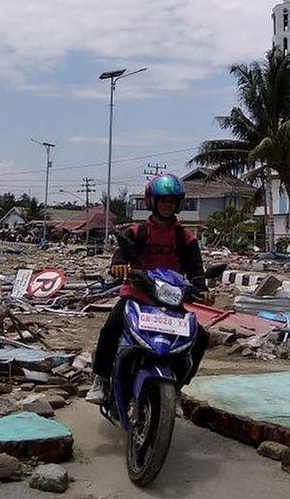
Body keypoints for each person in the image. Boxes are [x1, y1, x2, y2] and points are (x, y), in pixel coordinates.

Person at [86, 173, 212, 405]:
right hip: (137, 296)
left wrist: (202, 288)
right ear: (152, 202)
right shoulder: (137, 232)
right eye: (162, 200)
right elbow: (120, 255)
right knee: (111, 327)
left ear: (178, 204)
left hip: (171, 302)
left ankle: (178, 386)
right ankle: (101, 379)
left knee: (200, 337)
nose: (167, 205)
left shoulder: (186, 238)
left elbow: (196, 270)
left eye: (171, 201)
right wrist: (118, 266)